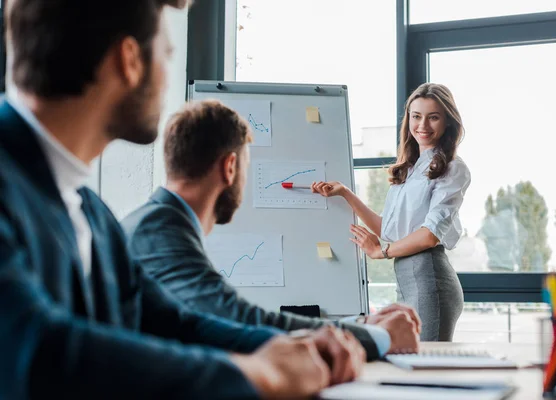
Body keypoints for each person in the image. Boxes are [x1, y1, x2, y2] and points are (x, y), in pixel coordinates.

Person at [0, 0, 366, 398]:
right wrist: (258, 374)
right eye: (167, 55)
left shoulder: (93, 214)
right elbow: (35, 350)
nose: (167, 76)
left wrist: (301, 348)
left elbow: (174, 323)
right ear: (129, 61)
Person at [121, 99, 421, 361]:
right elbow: (236, 319)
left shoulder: (159, 222)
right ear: (230, 167)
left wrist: (363, 323)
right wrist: (379, 338)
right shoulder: (161, 231)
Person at [312, 83, 471, 341]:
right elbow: (390, 230)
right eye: (416, 116)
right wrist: (346, 193)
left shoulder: (453, 168)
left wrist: (381, 252)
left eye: (433, 117)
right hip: (408, 278)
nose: (423, 125)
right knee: (411, 362)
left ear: (448, 122)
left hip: (430, 278)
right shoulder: (411, 168)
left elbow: (430, 235)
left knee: (427, 368)